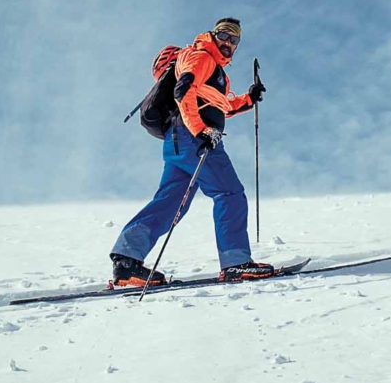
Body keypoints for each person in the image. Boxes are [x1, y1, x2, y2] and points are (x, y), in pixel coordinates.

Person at [108, 18, 272, 286]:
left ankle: (127, 261)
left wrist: (248, 98)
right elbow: (183, 92)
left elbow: (219, 107)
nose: (229, 42)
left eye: (235, 39)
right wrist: (200, 131)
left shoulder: (217, 72)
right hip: (193, 137)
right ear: (212, 35)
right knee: (229, 193)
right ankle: (235, 263)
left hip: (178, 140)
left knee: (171, 202)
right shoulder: (201, 56)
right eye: (224, 35)